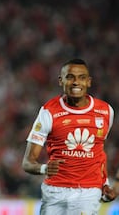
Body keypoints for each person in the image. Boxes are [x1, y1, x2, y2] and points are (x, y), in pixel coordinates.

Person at [22, 58, 116, 214]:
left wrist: (104, 183)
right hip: (54, 192)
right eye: (70, 77)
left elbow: (99, 152)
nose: (76, 82)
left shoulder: (106, 111)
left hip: (88, 193)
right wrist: (44, 168)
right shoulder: (48, 112)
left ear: (89, 81)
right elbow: (27, 162)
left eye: (81, 77)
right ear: (61, 81)